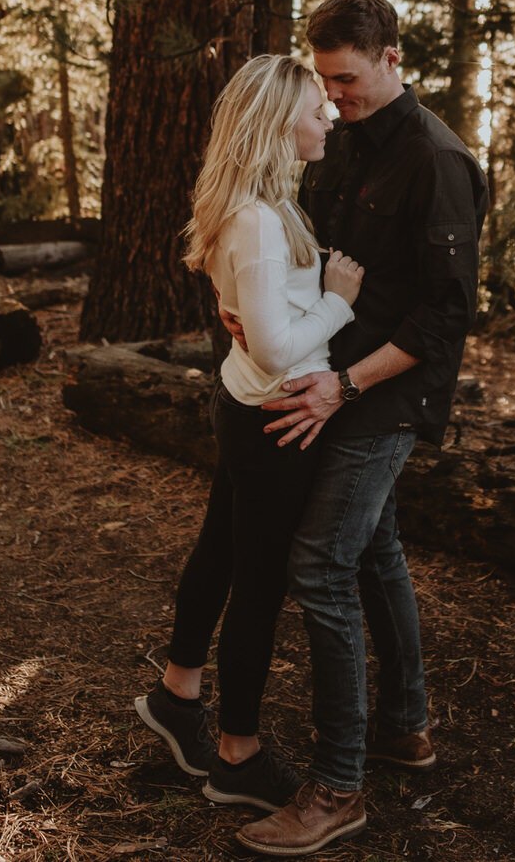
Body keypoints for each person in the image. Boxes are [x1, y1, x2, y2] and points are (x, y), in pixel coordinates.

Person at [234, 0, 488, 857]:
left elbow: (444, 317)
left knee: (321, 559)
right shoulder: (340, 144)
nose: (333, 97)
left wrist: (344, 386)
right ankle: (406, 726)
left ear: (391, 58)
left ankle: (339, 785)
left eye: (347, 78)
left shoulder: (437, 159)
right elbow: (315, 258)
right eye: (326, 81)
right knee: (374, 547)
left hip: (388, 390)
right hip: (332, 370)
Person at [134, 54, 367, 814]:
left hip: (248, 405)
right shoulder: (261, 222)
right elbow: (273, 345)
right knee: (259, 583)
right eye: (313, 109)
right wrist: (337, 302)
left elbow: (254, 329)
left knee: (220, 550)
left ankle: (178, 694)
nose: (327, 116)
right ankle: (236, 752)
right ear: (275, 124)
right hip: (274, 420)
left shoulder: (259, 204)